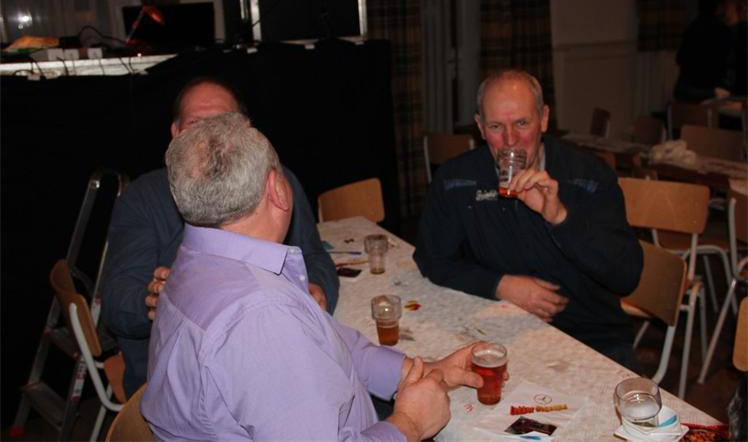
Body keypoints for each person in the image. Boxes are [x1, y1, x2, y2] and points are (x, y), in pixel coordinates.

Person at [143, 112, 485, 441]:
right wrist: (409, 424)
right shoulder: (262, 316)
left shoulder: (200, 260)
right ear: (277, 189)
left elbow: (327, 343)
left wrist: (422, 371)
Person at [100, 77, 339, 397]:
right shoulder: (143, 199)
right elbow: (115, 305)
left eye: (223, 123)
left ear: (247, 131)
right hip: (181, 388)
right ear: (175, 134)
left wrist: (318, 288)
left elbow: (314, 256)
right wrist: (153, 301)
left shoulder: (279, 184)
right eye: (195, 125)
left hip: (279, 354)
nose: (209, 137)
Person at [414, 69, 643, 369]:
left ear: (544, 119)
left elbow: (626, 275)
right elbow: (432, 259)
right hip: (497, 331)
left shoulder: (589, 176)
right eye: (496, 126)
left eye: (522, 123)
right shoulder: (456, 180)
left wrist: (560, 217)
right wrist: (500, 285)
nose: (510, 141)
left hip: (590, 338)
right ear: (480, 127)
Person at [673, 0, 734, 102]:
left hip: (686, 91)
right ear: (719, 6)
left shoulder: (693, 26)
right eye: (728, 3)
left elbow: (680, 58)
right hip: (707, 93)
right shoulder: (722, 30)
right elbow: (726, 66)